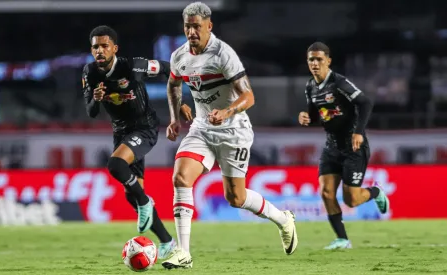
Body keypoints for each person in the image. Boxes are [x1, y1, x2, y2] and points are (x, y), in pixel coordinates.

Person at [161, 2, 298, 269]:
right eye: (188, 26)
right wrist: (174, 118)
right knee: (180, 177)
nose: (192, 32)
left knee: (235, 198)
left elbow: (249, 96)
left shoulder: (223, 54)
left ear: (209, 26)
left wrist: (226, 111)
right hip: (201, 128)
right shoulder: (179, 56)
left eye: (197, 26)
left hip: (233, 130)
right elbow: (173, 86)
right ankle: (183, 253)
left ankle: (283, 219)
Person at [82, 25, 193, 258]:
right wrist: (96, 98)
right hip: (121, 132)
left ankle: (145, 203)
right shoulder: (90, 72)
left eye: (104, 46)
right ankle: (167, 242)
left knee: (116, 165)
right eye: (95, 47)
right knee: (130, 193)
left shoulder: (133, 65)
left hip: (144, 127)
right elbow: (91, 112)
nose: (100, 51)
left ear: (114, 48)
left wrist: (181, 101)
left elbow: (168, 69)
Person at [298, 42, 390, 249]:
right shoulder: (310, 86)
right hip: (331, 146)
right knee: (326, 192)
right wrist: (305, 117)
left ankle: (375, 192)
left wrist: (358, 132)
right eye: (311, 59)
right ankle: (342, 239)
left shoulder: (339, 82)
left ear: (328, 61)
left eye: (319, 59)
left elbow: (365, 103)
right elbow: (315, 115)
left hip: (353, 146)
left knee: (352, 200)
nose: (314, 63)